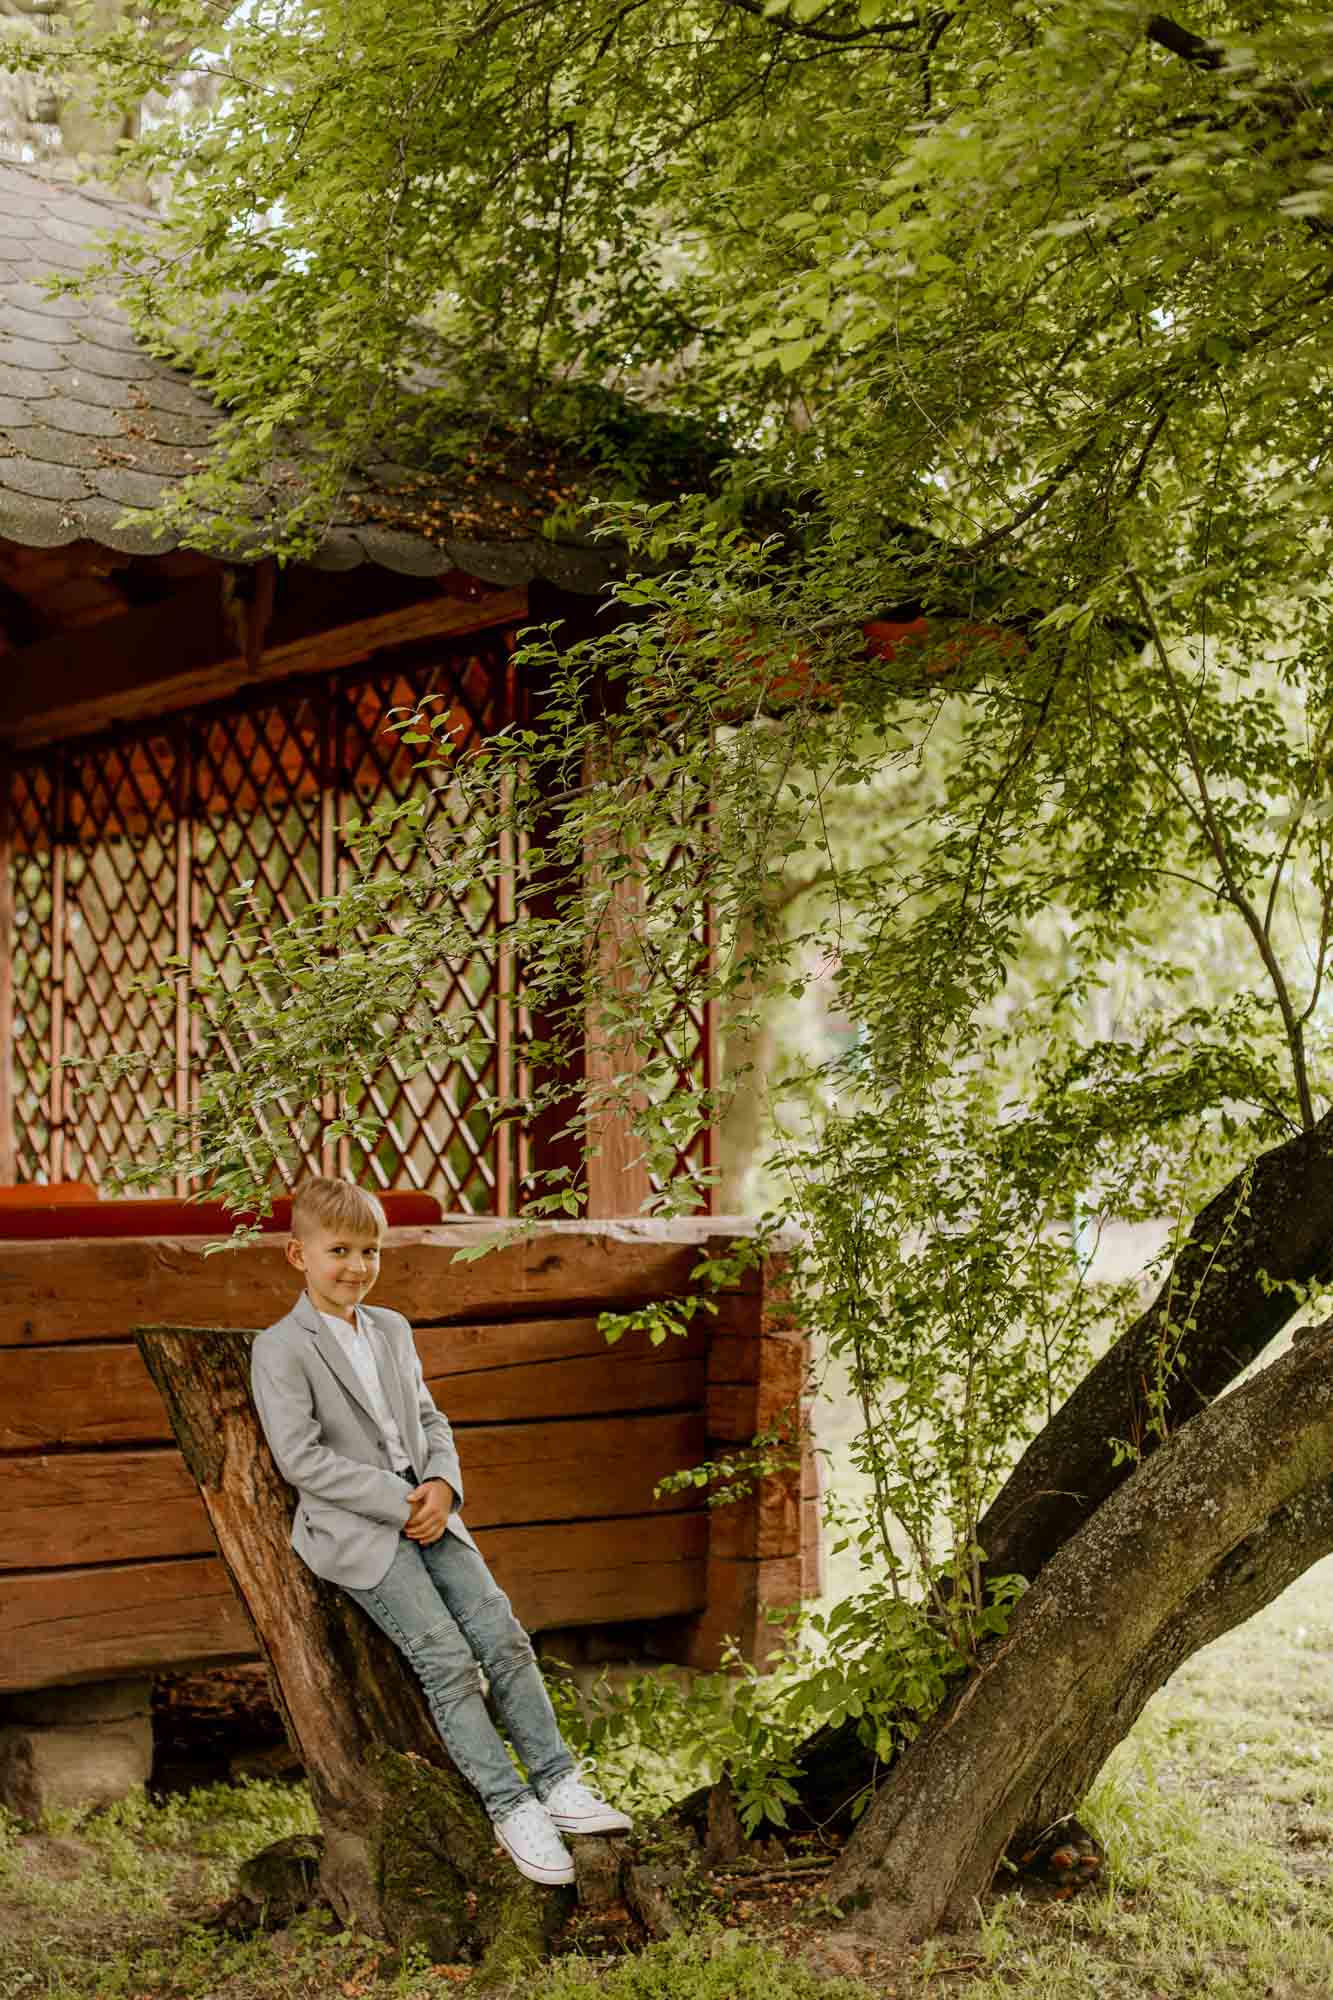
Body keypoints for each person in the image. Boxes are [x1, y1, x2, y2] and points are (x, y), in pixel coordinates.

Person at [250, 1175, 631, 1886]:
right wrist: (400, 1501)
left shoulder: (391, 1329)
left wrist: (444, 1485)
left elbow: (428, 1419)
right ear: (299, 1255)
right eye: (339, 1250)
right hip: (359, 1528)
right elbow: (301, 1458)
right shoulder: (281, 1348)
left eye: (369, 1251)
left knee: (504, 1638)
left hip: (431, 1511)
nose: (356, 1266)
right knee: (448, 1660)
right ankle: (510, 1806)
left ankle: (557, 1782)